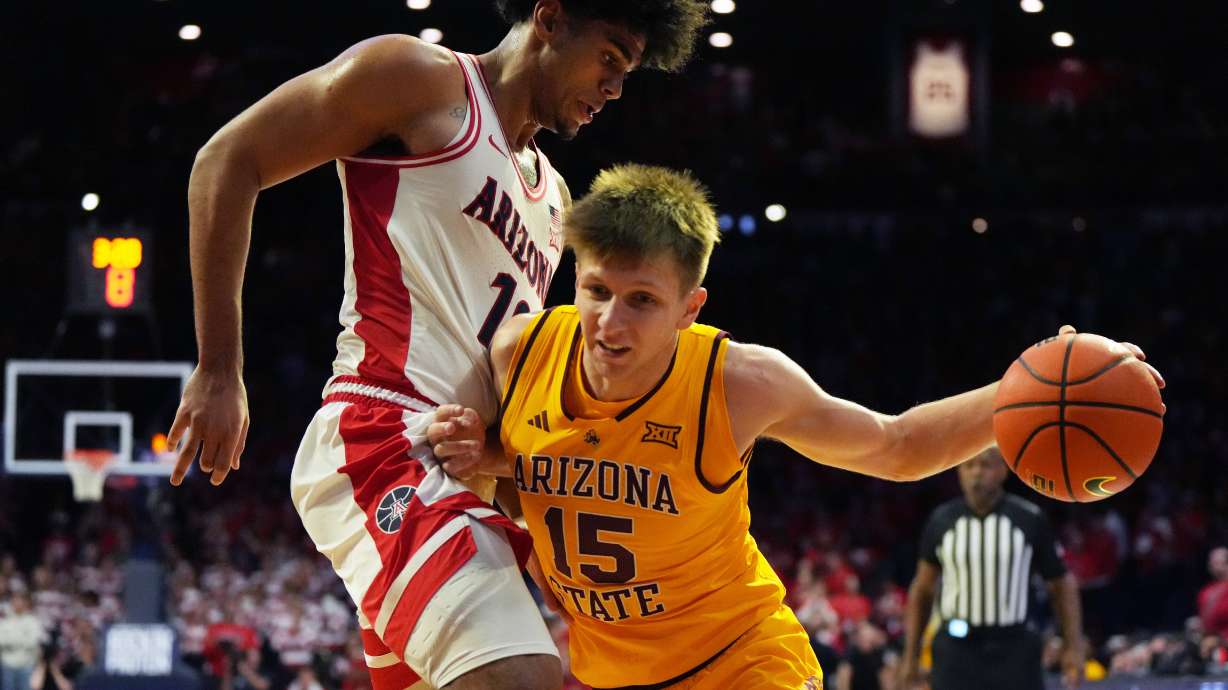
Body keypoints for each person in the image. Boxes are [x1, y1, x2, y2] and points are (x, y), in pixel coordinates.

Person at [426, 163, 1166, 689]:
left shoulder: (739, 382)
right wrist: (477, 449)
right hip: (602, 670)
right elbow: (526, 477)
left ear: (692, 308)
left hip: (745, 664)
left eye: (643, 301)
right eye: (596, 291)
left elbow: (897, 445)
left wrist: (1030, 389)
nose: (609, 323)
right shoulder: (521, 353)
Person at [166, 2, 709, 688]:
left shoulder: (557, 201)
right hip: (385, 433)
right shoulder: (417, 79)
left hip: (463, 473)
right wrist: (219, 366)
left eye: (627, 73)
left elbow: (511, 384)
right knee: (524, 677)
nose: (615, 88)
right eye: (609, 57)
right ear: (549, 19)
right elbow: (228, 159)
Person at [897, 447, 1085, 690]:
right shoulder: (941, 520)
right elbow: (922, 590)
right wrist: (910, 656)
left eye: (985, 465)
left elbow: (1061, 584)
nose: (976, 473)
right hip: (956, 649)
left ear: (1003, 470)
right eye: (968, 466)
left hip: (1015, 648)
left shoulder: (1029, 519)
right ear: (958, 472)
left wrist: (1074, 647)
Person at [0, 592, 47, 690]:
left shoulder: (33, 621)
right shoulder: (4, 621)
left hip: (27, 664)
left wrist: (11, 640)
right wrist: (22, 636)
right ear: (11, 603)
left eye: (20, 601)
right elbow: (1, 641)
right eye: (15, 601)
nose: (18, 604)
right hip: (7, 664)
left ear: (25, 603)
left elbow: (32, 642)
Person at [1199, 546, 1228, 639]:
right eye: (1213, 563)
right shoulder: (1205, 592)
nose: (1218, 567)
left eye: (1221, 563)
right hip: (1211, 641)